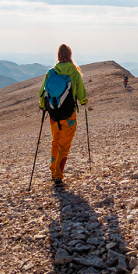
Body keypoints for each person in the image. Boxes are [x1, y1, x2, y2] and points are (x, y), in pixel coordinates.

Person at [37, 44, 87, 186]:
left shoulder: (51, 73)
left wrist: (43, 107)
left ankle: (53, 169)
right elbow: (81, 94)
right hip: (69, 116)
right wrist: (84, 102)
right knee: (64, 146)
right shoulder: (75, 73)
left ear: (58, 56)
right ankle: (58, 175)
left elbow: (42, 93)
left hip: (53, 115)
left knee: (55, 142)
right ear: (70, 55)